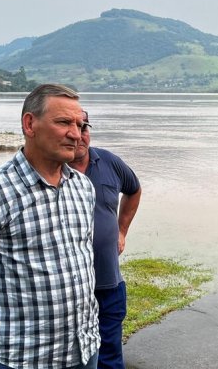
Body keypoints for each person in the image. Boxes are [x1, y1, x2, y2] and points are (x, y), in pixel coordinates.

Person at [0, 84, 100, 369]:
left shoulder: (83, 187)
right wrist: (3, 332)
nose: (76, 134)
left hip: (85, 351)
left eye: (79, 124)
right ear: (29, 124)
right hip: (25, 359)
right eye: (64, 122)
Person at [69, 110, 142, 369]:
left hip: (109, 282)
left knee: (109, 354)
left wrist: (122, 230)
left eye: (84, 127)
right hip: (71, 290)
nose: (78, 135)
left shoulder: (109, 162)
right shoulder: (54, 170)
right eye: (70, 126)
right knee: (74, 357)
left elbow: (134, 190)